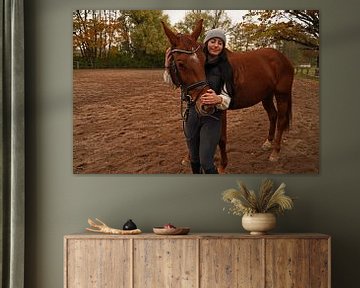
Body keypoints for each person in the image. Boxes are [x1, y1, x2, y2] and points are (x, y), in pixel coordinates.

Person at [164, 28, 234, 174]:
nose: (216, 45)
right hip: (192, 116)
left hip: (212, 116)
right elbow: (172, 83)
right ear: (206, 43)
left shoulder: (225, 68)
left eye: (220, 43)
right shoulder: (195, 59)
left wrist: (218, 98)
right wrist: (167, 65)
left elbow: (228, 98)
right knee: (194, 160)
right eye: (213, 41)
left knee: (206, 163)